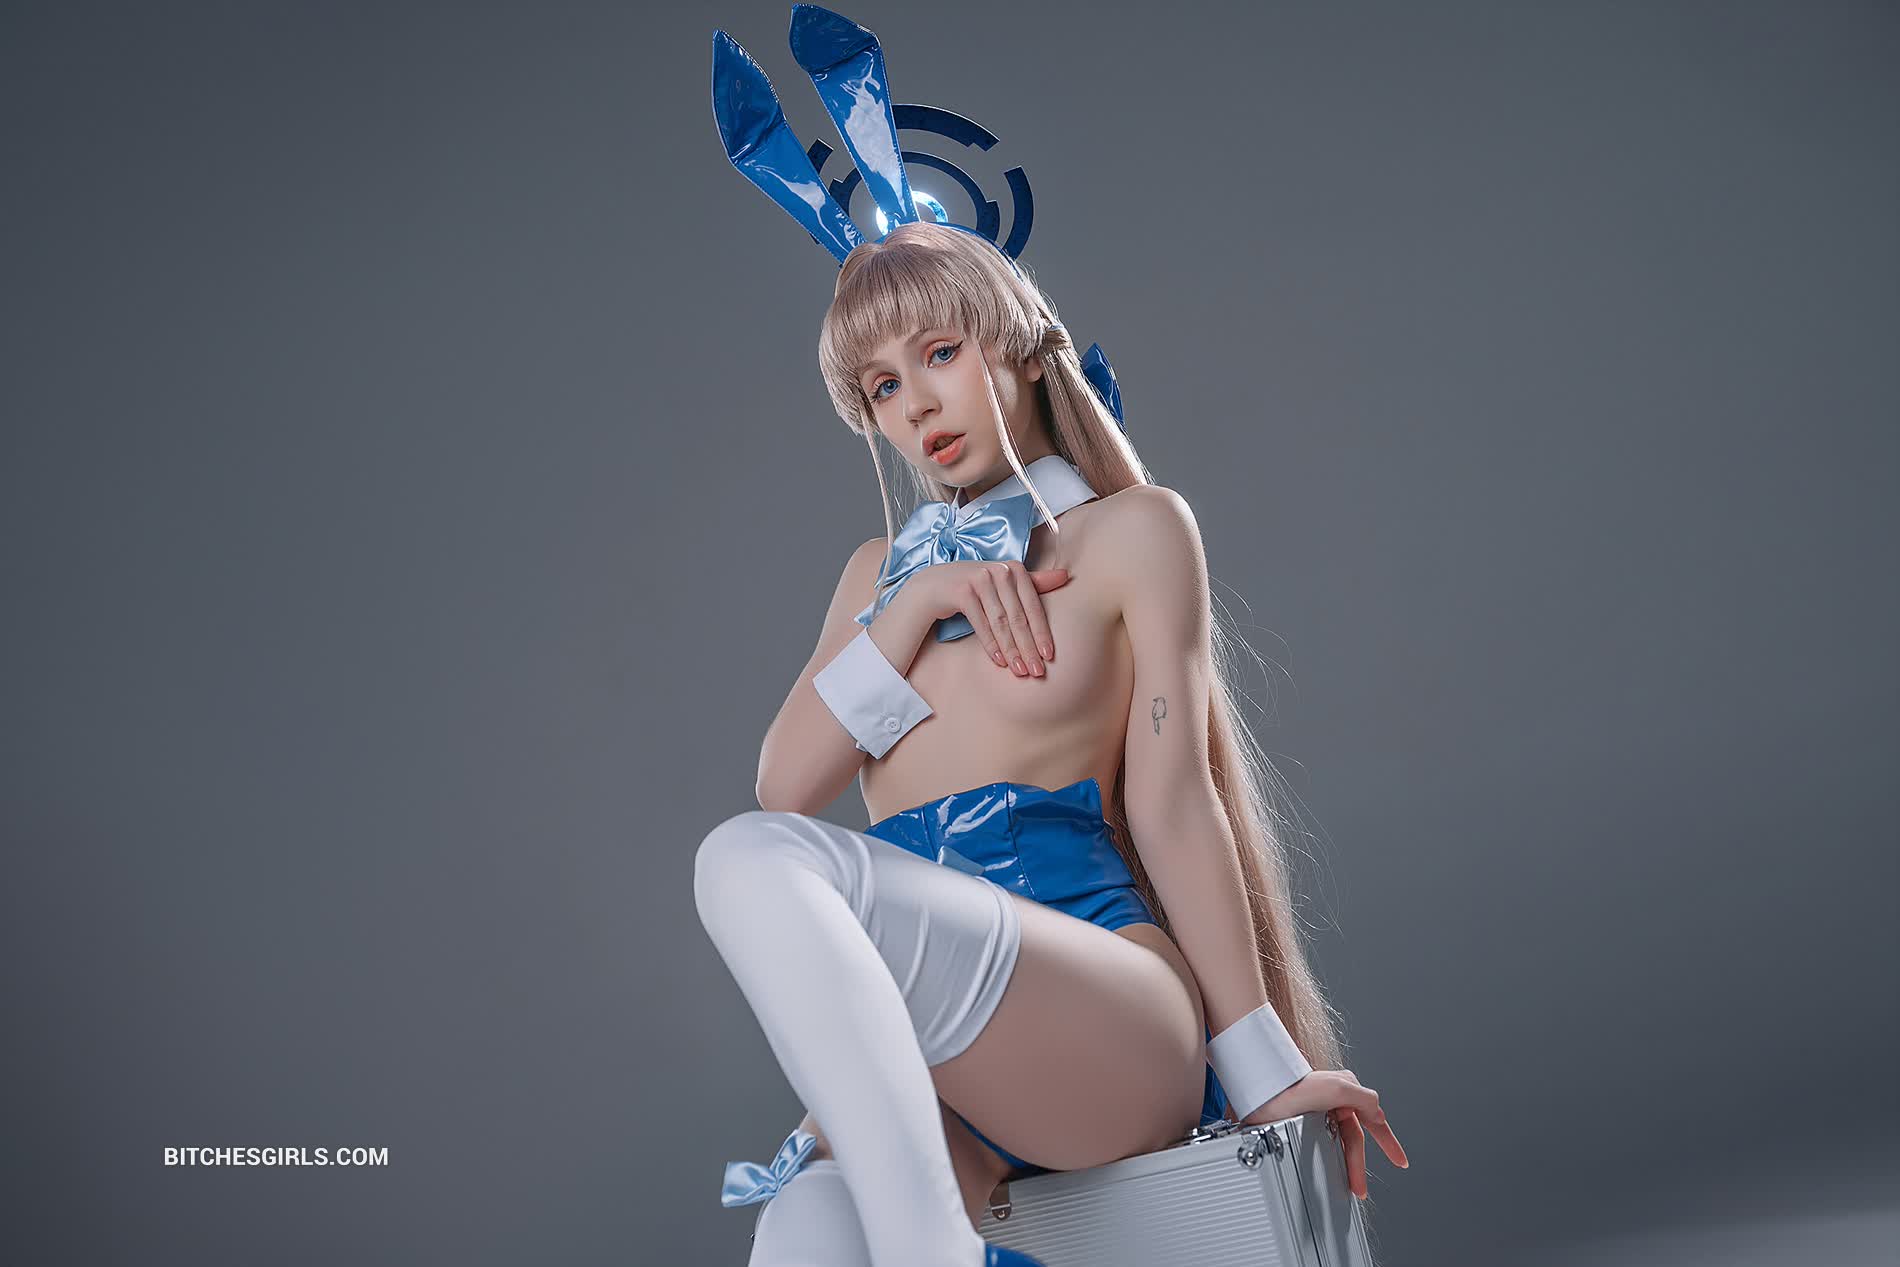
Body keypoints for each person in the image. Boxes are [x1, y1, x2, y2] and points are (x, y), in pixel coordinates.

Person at [697, 11, 1407, 1267]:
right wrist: (914, 606)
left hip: (1110, 1023)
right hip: (939, 1063)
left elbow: (1177, 802)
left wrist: (1263, 1066)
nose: (917, 402)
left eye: (938, 351)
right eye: (882, 385)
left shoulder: (1133, 533)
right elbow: (785, 787)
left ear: (1018, 349)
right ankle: (927, 1225)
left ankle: (932, 1246)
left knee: (747, 861)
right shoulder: (874, 579)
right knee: (798, 1226)